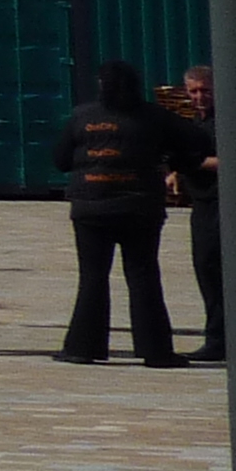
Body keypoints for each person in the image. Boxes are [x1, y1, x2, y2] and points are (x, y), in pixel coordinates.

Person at [51, 59, 188, 368]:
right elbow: (195, 142)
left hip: (90, 205)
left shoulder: (81, 116)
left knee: (92, 277)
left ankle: (82, 347)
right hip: (139, 206)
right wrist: (168, 161)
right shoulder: (154, 117)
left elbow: (60, 160)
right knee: (143, 276)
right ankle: (156, 351)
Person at [172, 63, 230, 364]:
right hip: (202, 203)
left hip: (224, 203)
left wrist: (192, 162)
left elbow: (235, 158)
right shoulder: (196, 123)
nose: (199, 97)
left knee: (217, 268)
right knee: (206, 269)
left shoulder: (228, 121)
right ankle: (217, 335)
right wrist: (178, 172)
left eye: (204, 91)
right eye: (193, 91)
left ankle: (220, 339)